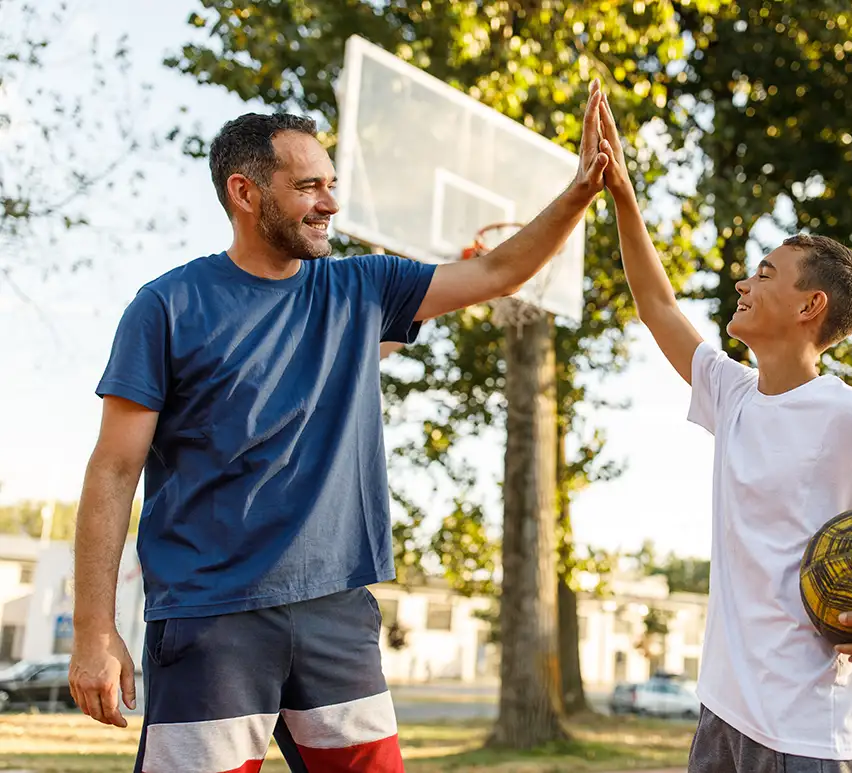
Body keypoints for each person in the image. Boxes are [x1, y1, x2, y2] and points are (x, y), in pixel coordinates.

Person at [67, 82, 610, 773]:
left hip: (336, 617)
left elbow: (502, 269)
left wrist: (580, 189)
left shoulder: (362, 290)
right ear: (245, 192)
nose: (330, 203)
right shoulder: (167, 307)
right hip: (213, 620)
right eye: (308, 187)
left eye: (331, 184)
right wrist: (94, 627)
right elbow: (113, 470)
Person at [596, 100, 852, 772]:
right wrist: (621, 193)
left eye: (764, 274)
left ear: (809, 305)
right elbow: (656, 305)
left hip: (810, 736)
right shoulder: (731, 393)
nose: (743, 280)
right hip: (722, 716)